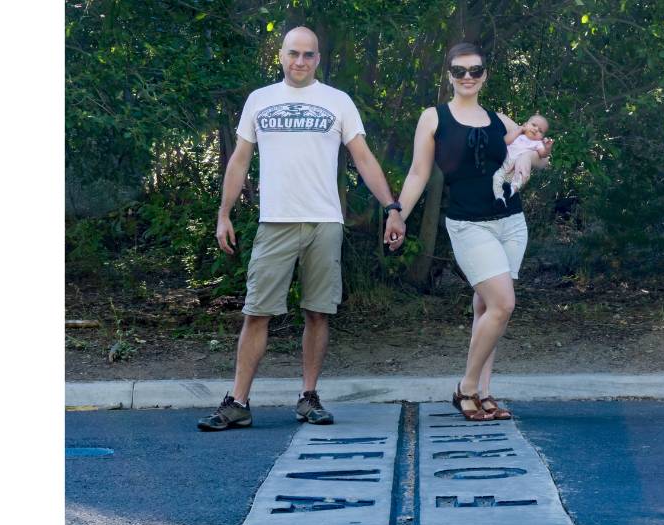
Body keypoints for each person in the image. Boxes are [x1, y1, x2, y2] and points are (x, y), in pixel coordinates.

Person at [198, 26, 406, 431]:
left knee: (318, 312)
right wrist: (223, 213)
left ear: (318, 59)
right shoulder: (260, 100)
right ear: (280, 55)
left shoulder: (337, 101)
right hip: (274, 222)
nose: (300, 61)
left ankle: (308, 398)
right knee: (256, 312)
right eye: (293, 53)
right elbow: (239, 160)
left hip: (324, 222)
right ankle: (238, 402)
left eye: (308, 55)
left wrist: (392, 206)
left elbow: (362, 157)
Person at [385, 43, 552, 420]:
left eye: (475, 70)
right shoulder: (434, 118)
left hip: (510, 223)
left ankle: (485, 393)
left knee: (487, 306)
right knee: (503, 303)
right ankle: (467, 387)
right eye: (459, 71)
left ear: (484, 75)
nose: (467, 77)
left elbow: (539, 155)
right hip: (468, 224)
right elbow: (418, 173)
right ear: (449, 76)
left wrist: (530, 154)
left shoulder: (499, 120)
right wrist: (398, 213)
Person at [492, 114, 551, 205]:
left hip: (518, 169)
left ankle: (510, 191)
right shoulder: (517, 135)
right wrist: (518, 130)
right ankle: (499, 198)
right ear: (525, 124)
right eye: (534, 125)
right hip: (505, 164)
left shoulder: (537, 143)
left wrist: (547, 148)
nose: (536, 129)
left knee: (519, 179)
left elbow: (543, 155)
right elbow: (505, 141)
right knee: (497, 177)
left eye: (540, 131)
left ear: (542, 136)